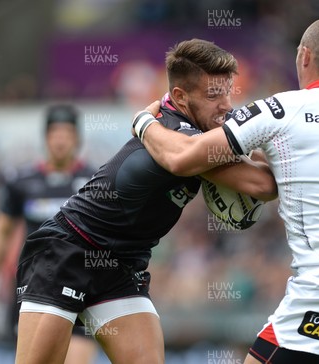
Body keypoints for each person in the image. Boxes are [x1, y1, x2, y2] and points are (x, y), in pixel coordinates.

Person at [134, 17, 319, 363]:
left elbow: (184, 157)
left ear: (304, 56)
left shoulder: (282, 109)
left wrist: (143, 122)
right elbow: (305, 150)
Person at [14, 39, 277, 364]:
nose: (225, 104)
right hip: (69, 251)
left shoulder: (202, 125)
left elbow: (265, 158)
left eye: (228, 92)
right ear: (180, 96)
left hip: (123, 265)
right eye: (213, 95)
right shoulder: (179, 136)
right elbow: (262, 182)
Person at [0, 105, 98, 364]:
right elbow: (1, 232)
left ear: (77, 138)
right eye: (55, 132)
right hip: (32, 288)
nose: (61, 139)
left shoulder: (94, 181)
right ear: (45, 137)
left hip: (80, 289)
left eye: (67, 133)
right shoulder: (21, 181)